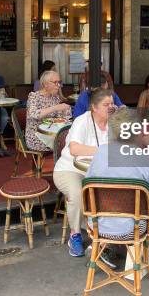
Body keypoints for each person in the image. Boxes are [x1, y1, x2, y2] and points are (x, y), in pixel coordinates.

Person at [86, 109, 149, 273]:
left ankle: (103, 247)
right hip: (133, 230)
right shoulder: (146, 158)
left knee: (104, 197)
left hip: (97, 228)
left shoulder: (100, 153)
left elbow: (88, 186)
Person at [53, 88, 112, 257]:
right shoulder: (82, 121)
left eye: (112, 104)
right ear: (94, 107)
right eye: (106, 105)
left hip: (96, 172)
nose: (110, 107)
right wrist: (103, 150)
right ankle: (75, 235)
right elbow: (75, 149)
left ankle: (108, 234)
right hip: (70, 170)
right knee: (78, 194)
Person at [25, 71, 72, 152]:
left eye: (59, 82)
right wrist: (56, 107)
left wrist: (66, 111)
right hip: (36, 137)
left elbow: (62, 118)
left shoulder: (55, 98)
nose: (59, 85)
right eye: (55, 82)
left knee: (73, 141)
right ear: (45, 84)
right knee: (67, 145)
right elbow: (34, 114)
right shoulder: (34, 96)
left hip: (53, 134)